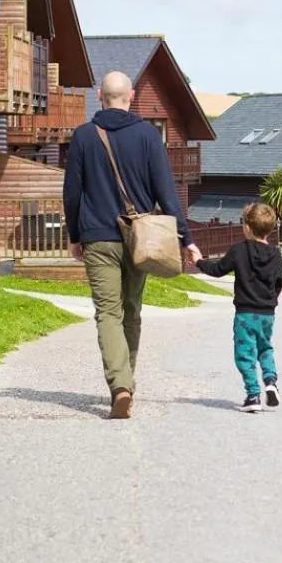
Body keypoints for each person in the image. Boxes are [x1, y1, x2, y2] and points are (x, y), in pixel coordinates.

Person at [63, 70, 192, 420]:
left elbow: (72, 193)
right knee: (131, 311)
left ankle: (120, 385)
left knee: (108, 312)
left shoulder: (84, 137)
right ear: (131, 96)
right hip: (140, 239)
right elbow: (166, 191)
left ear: (100, 97)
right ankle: (126, 382)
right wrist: (186, 238)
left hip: (98, 237)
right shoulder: (149, 136)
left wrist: (75, 236)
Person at [189, 203, 282, 413]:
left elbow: (217, 269)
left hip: (245, 313)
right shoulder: (276, 255)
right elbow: (278, 283)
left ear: (247, 227)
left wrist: (198, 261)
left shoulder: (239, 250)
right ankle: (270, 381)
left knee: (245, 353)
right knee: (265, 347)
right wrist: (270, 300)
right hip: (267, 313)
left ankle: (253, 395)